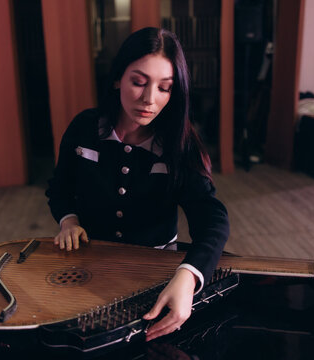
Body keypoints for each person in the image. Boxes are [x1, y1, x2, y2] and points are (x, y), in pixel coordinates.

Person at [46, 27, 229, 341]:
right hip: (90, 261)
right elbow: (59, 188)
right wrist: (69, 221)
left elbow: (212, 220)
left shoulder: (180, 145)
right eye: (139, 82)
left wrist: (188, 276)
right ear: (118, 78)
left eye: (165, 88)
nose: (149, 99)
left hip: (154, 269)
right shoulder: (84, 127)